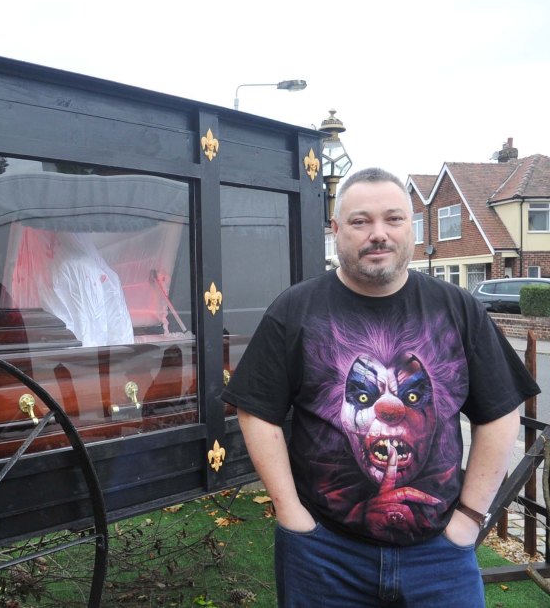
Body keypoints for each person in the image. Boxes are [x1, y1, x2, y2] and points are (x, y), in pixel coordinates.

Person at [222, 167, 539, 607]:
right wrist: (290, 512)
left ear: (411, 227)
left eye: (393, 219)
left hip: (440, 557)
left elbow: (500, 410)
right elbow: (257, 409)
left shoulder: (457, 308)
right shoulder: (296, 310)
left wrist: (468, 518)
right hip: (324, 554)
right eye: (360, 221)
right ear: (336, 231)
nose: (378, 234)